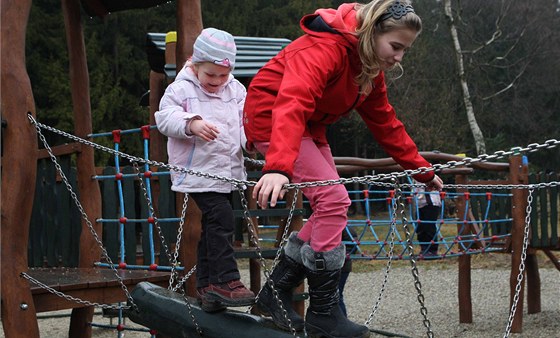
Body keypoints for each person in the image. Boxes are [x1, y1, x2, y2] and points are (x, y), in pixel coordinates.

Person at [243, 1, 444, 337]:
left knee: (333, 205)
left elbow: (385, 123)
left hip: (310, 127)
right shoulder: (325, 48)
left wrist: (420, 169)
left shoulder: (368, 68)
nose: (399, 58)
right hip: (273, 118)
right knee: (333, 200)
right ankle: (322, 314)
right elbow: (293, 100)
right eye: (396, 46)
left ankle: (274, 294)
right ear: (372, 31)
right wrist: (278, 166)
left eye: (405, 50)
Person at [155, 28, 255, 313]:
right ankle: (226, 279)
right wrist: (191, 124)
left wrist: (251, 142)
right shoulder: (181, 88)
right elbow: (165, 118)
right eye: (210, 75)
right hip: (198, 170)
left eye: (223, 75)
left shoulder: (235, 90)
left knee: (215, 224)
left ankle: (208, 286)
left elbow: (244, 122)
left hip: (227, 171)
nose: (217, 81)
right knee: (222, 219)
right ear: (195, 64)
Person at [412, 178, 441, 259]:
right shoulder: (414, 173)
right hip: (420, 203)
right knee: (420, 227)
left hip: (431, 202)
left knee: (429, 226)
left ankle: (432, 250)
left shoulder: (428, 171)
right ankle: (424, 249)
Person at [339, 226, 358, 317]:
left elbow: (352, 247)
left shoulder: (346, 228)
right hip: (339, 265)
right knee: (335, 295)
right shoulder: (344, 227)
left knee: (337, 295)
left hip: (342, 267)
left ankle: (342, 318)